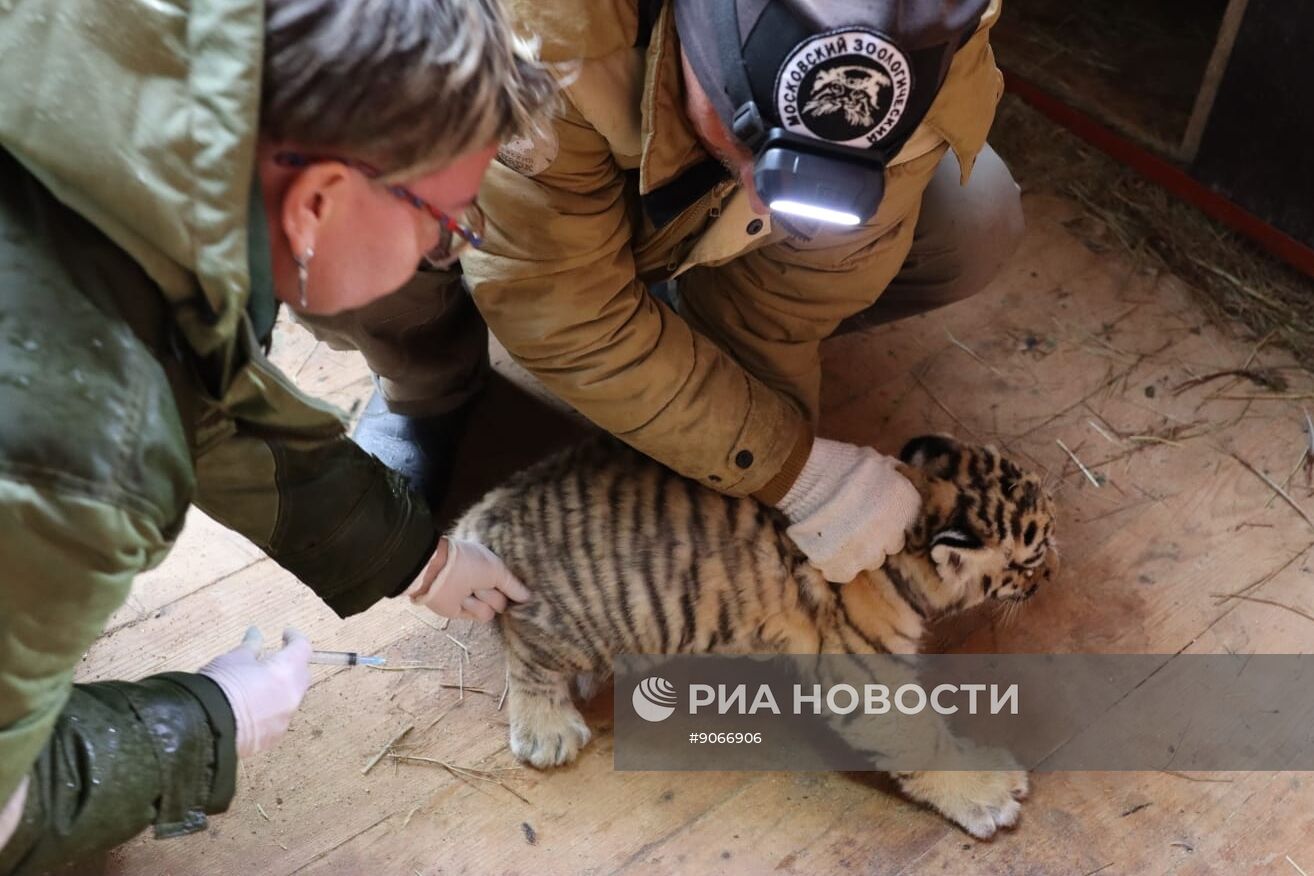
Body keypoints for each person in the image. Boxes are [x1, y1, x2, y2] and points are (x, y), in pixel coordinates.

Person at [0, 0, 552, 871]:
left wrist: (415, 556)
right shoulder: (82, 458)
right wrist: (200, 725)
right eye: (446, 223)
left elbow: (196, 375)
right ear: (319, 201)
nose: (442, 252)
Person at [316, 0, 1026, 586]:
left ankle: (681, 354)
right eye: (755, 146)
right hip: (476, 118)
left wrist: (784, 466)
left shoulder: (939, 39)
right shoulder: (551, 28)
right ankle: (430, 386)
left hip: (661, 169)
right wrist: (792, 471)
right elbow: (560, 310)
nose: (768, 201)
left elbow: (787, 305)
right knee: (344, 202)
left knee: (975, 219)